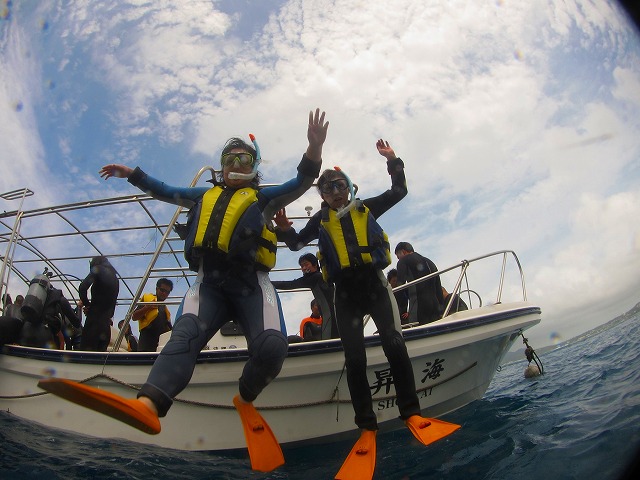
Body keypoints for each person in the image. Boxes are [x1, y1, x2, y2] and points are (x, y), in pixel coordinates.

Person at [48, 108, 328, 473]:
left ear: (254, 165)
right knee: (184, 335)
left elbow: (302, 182)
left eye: (242, 158)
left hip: (250, 287)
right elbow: (165, 190)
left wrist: (314, 149)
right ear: (221, 166)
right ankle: (149, 405)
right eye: (228, 159)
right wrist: (133, 174)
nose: (234, 164)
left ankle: (245, 399)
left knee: (273, 347)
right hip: (209, 285)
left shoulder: (265, 198)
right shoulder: (201, 196)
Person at [274, 139, 456, 477]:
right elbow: (298, 243)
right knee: (354, 358)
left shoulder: (366, 208)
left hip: (374, 286)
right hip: (346, 294)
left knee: (393, 342)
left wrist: (393, 160)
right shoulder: (321, 222)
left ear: (349, 188)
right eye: (329, 190)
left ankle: (412, 413)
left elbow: (399, 190)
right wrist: (285, 231)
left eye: (341, 187)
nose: (337, 194)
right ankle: (366, 427)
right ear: (323, 196)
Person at [270, 252, 337, 339]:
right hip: (336, 317)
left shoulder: (315, 278)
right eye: (302, 266)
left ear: (315, 265)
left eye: (306, 265)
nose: (304, 268)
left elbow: (290, 284)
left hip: (330, 318)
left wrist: (267, 283)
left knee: (328, 342)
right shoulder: (321, 277)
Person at [0, 283, 82, 349]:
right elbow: (77, 323)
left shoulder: (32, 300)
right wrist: (79, 307)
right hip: (44, 339)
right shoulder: (59, 298)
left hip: (24, 334)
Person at [394, 242, 444, 325]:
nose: (398, 259)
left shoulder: (403, 261)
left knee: (417, 330)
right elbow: (438, 288)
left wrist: (396, 309)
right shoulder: (430, 262)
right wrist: (442, 308)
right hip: (436, 306)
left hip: (418, 306)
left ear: (403, 251)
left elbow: (400, 286)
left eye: (398, 256)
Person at [78, 256, 120, 351]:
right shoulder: (115, 278)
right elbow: (112, 311)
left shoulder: (98, 269)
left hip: (93, 323)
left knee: (85, 358)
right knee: (99, 360)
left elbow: (82, 288)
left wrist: (87, 304)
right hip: (106, 328)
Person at [134, 278, 173, 352]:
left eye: (167, 292)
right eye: (162, 290)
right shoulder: (148, 300)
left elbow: (169, 328)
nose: (164, 293)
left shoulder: (164, 309)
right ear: (156, 289)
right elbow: (134, 317)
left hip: (159, 347)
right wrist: (146, 308)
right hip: (145, 345)